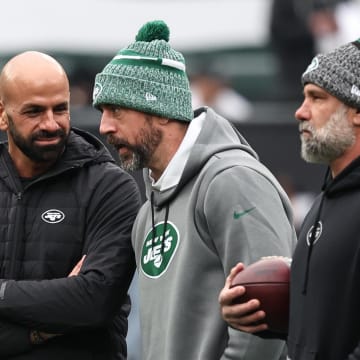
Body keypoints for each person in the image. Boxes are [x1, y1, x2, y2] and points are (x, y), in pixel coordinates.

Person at [92, 20, 297, 360]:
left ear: (160, 111)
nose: (104, 126)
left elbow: (269, 321)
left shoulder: (232, 182)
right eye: (102, 112)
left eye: (116, 110)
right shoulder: (147, 213)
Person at [219, 38, 360, 359]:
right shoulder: (324, 203)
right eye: (303, 98)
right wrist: (255, 309)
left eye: (317, 98)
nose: (300, 112)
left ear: (356, 112)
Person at [0, 51, 141, 359]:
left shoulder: (109, 188)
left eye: (60, 109)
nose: (51, 124)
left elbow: (93, 302)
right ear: (2, 114)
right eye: (34, 111)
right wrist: (43, 330)